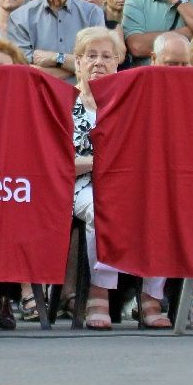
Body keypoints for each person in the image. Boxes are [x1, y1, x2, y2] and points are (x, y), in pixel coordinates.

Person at [71, 27, 126, 330]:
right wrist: (102, 163)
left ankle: (151, 296)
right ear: (77, 62)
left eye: (106, 56)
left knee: (159, 204)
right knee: (102, 207)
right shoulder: (63, 102)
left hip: (123, 186)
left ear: (118, 62)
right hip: (78, 187)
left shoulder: (126, 103)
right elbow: (59, 163)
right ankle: (99, 291)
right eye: (90, 56)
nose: (98, 62)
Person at [9, 0, 103, 81]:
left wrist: (55, 57)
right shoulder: (20, 18)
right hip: (38, 96)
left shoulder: (92, 14)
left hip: (80, 96)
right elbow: (22, 70)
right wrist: (75, 67)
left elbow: (95, 64)